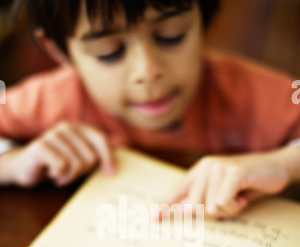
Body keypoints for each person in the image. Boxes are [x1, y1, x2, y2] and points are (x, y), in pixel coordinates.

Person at [0, 0, 299, 219]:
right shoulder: (53, 97)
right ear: (57, 50)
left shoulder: (251, 91)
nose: (148, 71)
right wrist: (15, 163)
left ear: (203, 19)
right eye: (109, 53)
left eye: (171, 35)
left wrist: (282, 164)